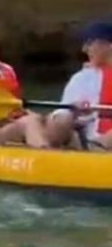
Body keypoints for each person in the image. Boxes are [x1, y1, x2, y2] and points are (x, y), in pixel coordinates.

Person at [25, 20, 112, 151]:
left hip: (101, 138)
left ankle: (99, 146)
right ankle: (46, 151)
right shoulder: (80, 78)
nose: (84, 49)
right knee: (58, 120)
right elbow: (63, 114)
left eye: (89, 44)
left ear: (106, 45)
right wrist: (74, 112)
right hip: (85, 136)